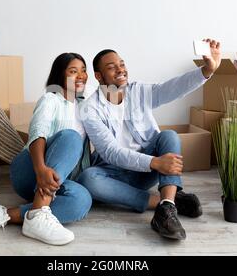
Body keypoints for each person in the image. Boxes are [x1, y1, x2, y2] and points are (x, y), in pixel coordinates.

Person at [78, 39, 221, 240]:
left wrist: (206, 71)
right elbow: (111, 153)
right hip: (118, 173)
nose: (120, 70)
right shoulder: (89, 109)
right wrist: (156, 162)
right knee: (88, 179)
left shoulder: (138, 91)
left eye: (122, 64)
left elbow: (172, 88)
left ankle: (166, 211)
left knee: (168, 136)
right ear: (99, 76)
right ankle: (165, 201)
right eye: (112, 67)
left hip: (149, 172)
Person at [0, 53, 92, 245]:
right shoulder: (50, 99)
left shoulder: (86, 105)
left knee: (83, 200)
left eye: (83, 71)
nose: (81, 76)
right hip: (30, 169)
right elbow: (38, 132)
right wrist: (41, 169)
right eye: (73, 71)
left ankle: (9, 214)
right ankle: (39, 211)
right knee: (71, 137)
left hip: (56, 180)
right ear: (60, 75)